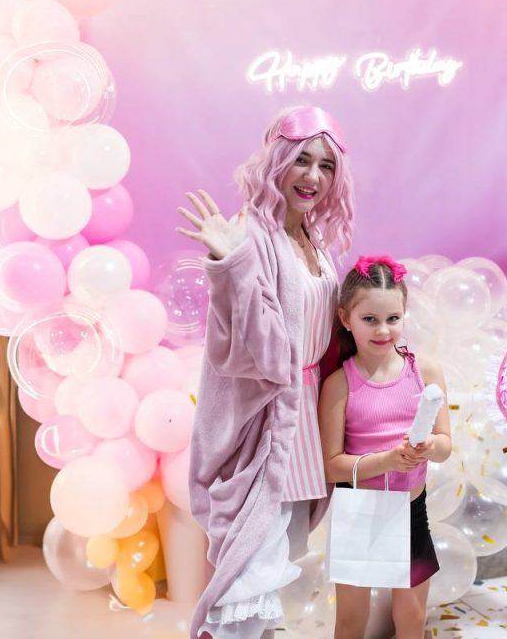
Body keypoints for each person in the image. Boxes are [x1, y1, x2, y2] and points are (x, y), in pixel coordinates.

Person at [176, 106, 355, 639]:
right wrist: (231, 264)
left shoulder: (314, 241)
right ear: (277, 160)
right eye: (302, 160)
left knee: (274, 565)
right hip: (269, 424)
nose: (313, 176)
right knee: (250, 570)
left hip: (306, 422)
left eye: (326, 165)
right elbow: (255, 347)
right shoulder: (253, 233)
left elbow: (324, 334)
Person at [318, 256, 452, 639]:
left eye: (393, 318)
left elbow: (445, 446)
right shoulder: (339, 384)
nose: (383, 330)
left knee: (412, 616)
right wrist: (388, 460)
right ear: (346, 318)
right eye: (370, 319)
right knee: (350, 619)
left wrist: (428, 446)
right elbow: (332, 465)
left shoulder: (425, 372)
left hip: (410, 508)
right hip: (359, 510)